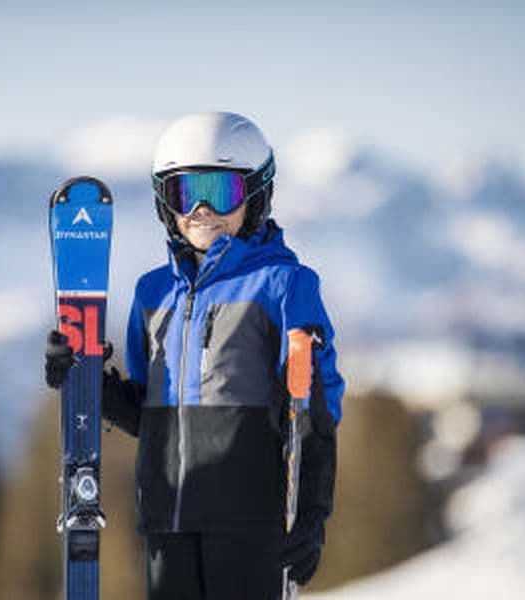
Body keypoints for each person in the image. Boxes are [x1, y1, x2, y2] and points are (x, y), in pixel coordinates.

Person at [46, 111, 344, 600]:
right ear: (166, 201)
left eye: (220, 192)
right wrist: (87, 381)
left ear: (256, 194)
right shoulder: (152, 293)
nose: (202, 209)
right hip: (167, 521)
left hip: (251, 524)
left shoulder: (284, 284)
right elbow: (148, 413)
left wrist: (312, 513)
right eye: (186, 193)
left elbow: (315, 408)